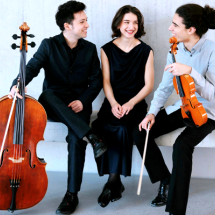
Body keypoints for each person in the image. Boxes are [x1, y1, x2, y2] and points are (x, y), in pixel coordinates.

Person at [8, 1, 107, 214]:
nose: (87, 25)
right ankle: (92, 136)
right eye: (82, 21)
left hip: (80, 106)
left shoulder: (89, 49)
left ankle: (72, 195)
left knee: (74, 138)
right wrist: (17, 85)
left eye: (86, 20)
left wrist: (84, 100)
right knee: (47, 94)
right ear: (67, 25)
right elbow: (31, 68)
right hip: (54, 105)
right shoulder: (49, 45)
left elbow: (97, 81)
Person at [133, 3, 215, 215]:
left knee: (181, 146)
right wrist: (151, 113)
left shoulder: (212, 50)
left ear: (191, 29)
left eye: (175, 24)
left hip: (208, 111)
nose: (170, 28)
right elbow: (164, 87)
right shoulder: (175, 49)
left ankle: (176, 211)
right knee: (141, 131)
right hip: (183, 106)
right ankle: (165, 180)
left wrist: (191, 72)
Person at [91, 5, 154, 208]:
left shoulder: (146, 51)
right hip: (112, 102)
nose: (131, 26)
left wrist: (131, 102)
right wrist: (113, 103)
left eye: (135, 22)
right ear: (118, 24)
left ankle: (112, 183)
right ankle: (115, 182)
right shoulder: (106, 49)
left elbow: (149, 85)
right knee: (103, 127)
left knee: (123, 128)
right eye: (127, 22)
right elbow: (106, 81)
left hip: (134, 104)